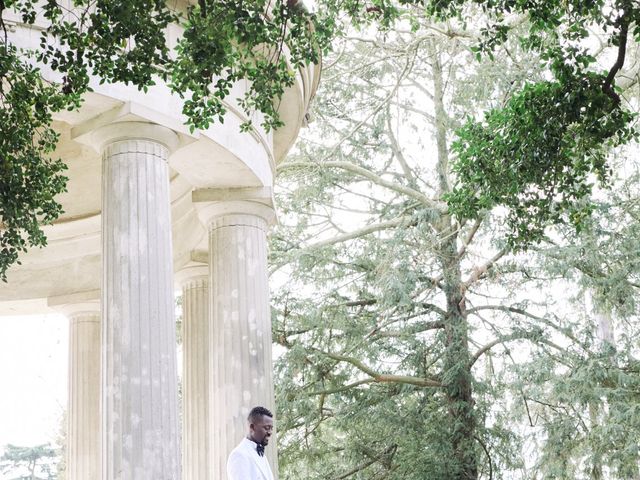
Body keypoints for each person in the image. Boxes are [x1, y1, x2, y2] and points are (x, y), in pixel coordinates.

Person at [227, 406, 275, 480]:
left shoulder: (261, 455)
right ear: (252, 427)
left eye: (271, 428)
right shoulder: (239, 455)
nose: (270, 432)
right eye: (267, 428)